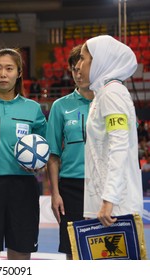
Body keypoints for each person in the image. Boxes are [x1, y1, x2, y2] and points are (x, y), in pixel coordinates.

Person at [0, 48, 47, 260]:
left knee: (21, 252)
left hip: (22, 187)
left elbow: (44, 146)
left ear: (19, 72)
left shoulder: (32, 108)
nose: (3, 74)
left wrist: (39, 164)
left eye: (9, 68)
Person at [75, 35, 144, 227]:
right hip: (106, 204)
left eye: (83, 58)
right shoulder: (102, 94)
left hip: (116, 208)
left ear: (99, 61)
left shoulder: (112, 93)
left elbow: (119, 146)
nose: (78, 65)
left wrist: (108, 200)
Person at [46, 44, 94, 259]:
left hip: (102, 186)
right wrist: (55, 193)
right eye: (74, 69)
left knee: (104, 248)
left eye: (82, 67)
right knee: (73, 251)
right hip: (71, 186)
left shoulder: (108, 101)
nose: (78, 73)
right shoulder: (60, 106)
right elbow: (53, 155)